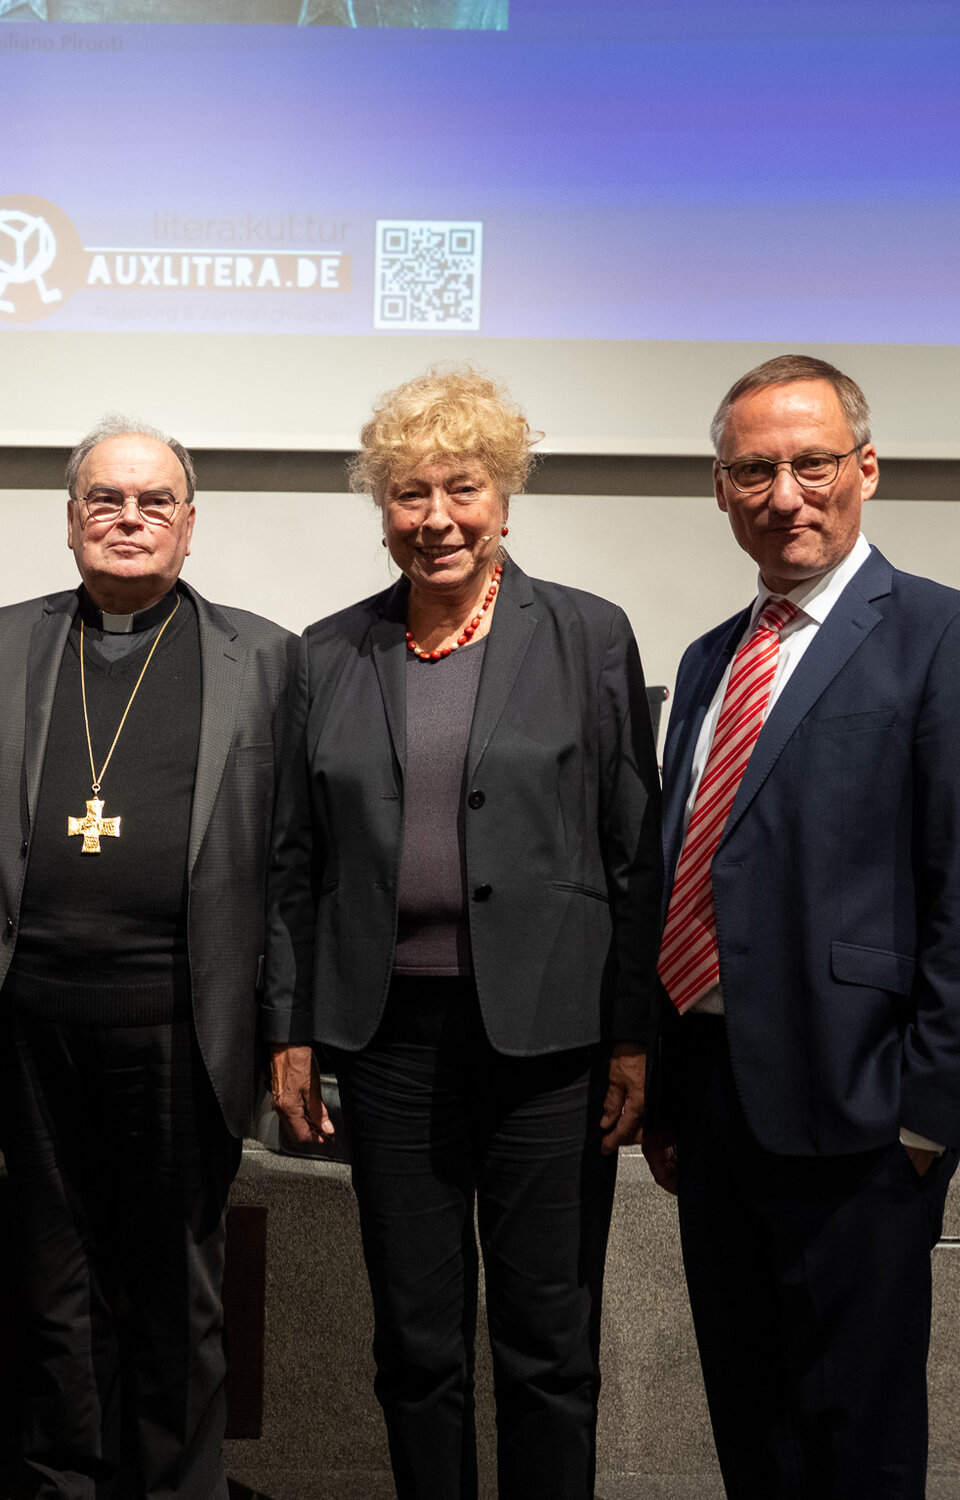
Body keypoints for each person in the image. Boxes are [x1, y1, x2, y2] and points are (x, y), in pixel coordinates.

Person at [269, 367, 663, 1499]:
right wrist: (291, 1030)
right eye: (409, 493)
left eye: (462, 489)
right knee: (414, 1341)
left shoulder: (587, 635)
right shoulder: (327, 654)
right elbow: (295, 862)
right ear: (380, 508)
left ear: (504, 498)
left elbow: (632, 852)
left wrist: (633, 1036)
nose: (435, 518)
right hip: (387, 1042)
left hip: (551, 1045)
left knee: (547, 1342)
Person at [0, 415, 299, 1500]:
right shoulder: (1, 640)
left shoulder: (263, 656)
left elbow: (288, 860)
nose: (128, 518)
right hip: (32, 1019)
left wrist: (287, 1024)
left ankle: (176, 1488)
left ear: (189, 524)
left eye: (153, 500)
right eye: (105, 500)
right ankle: (61, 1481)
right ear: (70, 520)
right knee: (53, 1278)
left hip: (182, 1021)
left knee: (177, 1286)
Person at [640, 356, 960, 1497]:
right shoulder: (707, 658)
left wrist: (925, 1114)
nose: (785, 496)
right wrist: (668, 1090)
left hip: (861, 1111)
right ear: (719, 489)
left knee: (854, 1444)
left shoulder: (937, 635)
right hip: (715, 1104)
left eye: (811, 464)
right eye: (753, 471)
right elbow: (684, 870)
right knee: (753, 1429)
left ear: (865, 468)